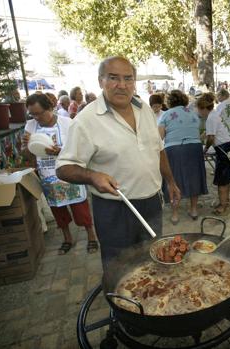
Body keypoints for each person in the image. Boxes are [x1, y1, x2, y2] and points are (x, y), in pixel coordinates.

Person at [56, 56, 180, 269]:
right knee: (119, 268)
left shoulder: (144, 109)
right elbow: (63, 167)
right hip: (114, 209)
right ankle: (121, 303)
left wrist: (170, 181)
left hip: (151, 202)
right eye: (113, 78)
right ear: (100, 81)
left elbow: (157, 149)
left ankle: (150, 301)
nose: (122, 85)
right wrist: (92, 176)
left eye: (128, 79)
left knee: (153, 260)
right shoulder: (86, 120)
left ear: (134, 81)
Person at [21, 93, 98, 255]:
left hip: (70, 174)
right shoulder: (30, 126)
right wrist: (25, 146)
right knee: (58, 209)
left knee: (80, 208)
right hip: (48, 176)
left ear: (50, 108)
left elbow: (80, 150)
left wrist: (60, 152)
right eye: (32, 114)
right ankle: (67, 238)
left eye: (40, 113)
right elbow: (28, 157)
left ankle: (91, 237)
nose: (36, 117)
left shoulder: (68, 123)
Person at [158, 90, 208, 224]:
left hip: (174, 149)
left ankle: (175, 214)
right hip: (194, 147)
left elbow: (159, 138)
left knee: (174, 180)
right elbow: (199, 131)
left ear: (169, 102)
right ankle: (193, 210)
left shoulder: (166, 115)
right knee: (194, 177)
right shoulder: (193, 114)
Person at [203, 89, 230, 216]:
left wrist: (205, 149)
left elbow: (211, 138)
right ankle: (225, 201)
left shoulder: (211, 117)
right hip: (228, 145)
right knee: (225, 179)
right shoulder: (214, 113)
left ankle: (223, 205)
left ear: (203, 108)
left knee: (222, 181)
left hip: (223, 150)